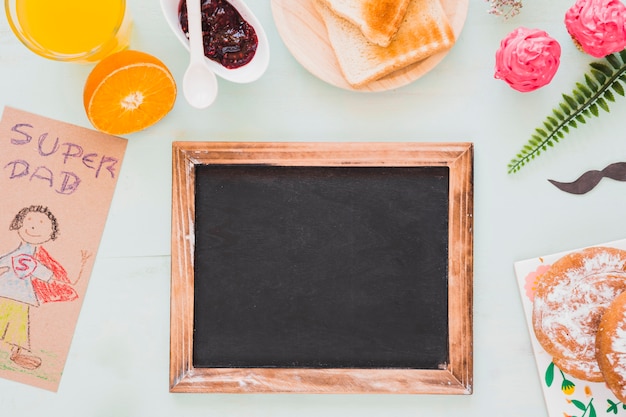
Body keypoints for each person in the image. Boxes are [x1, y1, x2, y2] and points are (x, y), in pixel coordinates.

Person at [0, 205, 88, 370]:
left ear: (50, 233)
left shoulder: (37, 260)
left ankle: (16, 352)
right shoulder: (17, 254)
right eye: (30, 221)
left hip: (22, 297)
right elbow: (3, 261)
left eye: (42, 223)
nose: (34, 227)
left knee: (18, 325)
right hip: (4, 291)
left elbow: (48, 275)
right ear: (19, 224)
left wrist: (76, 274)